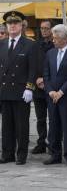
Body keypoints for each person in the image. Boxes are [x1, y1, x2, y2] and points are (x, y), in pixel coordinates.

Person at [0, 11, 36, 165]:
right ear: (6, 26)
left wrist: (30, 87)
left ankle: (21, 154)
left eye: (15, 23)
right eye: (9, 23)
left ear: (22, 25)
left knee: (21, 126)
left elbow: (33, 69)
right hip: (4, 90)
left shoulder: (30, 44)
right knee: (6, 125)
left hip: (21, 91)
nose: (12, 26)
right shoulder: (1, 43)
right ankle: (7, 153)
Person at [43, 24, 67, 166]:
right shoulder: (50, 53)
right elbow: (46, 74)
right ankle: (55, 154)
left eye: (56, 38)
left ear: (64, 39)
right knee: (53, 125)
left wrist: (61, 91)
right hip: (52, 96)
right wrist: (51, 91)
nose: (53, 40)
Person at [32, 19, 54, 154]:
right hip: (38, 87)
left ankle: (52, 142)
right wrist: (36, 79)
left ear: (51, 29)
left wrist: (47, 81)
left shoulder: (57, 44)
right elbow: (31, 64)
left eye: (46, 28)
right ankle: (41, 142)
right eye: (42, 28)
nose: (44, 30)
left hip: (52, 86)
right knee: (40, 118)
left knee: (53, 117)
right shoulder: (35, 45)